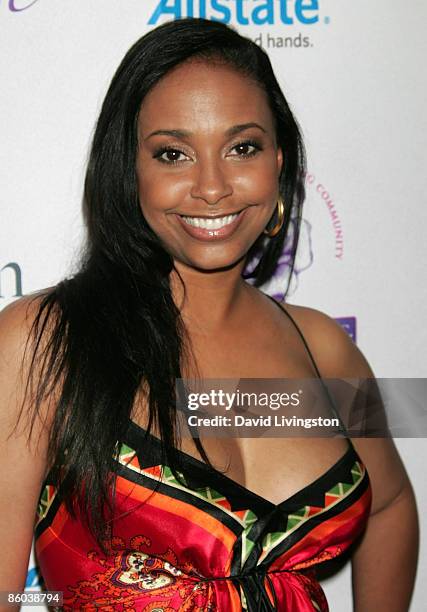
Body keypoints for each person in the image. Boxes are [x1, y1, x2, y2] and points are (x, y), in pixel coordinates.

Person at [0, 18, 418, 612]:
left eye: (241, 148)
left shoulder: (324, 347)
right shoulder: (42, 343)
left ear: (278, 159)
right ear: (130, 171)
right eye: (173, 154)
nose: (213, 187)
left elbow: (393, 503)